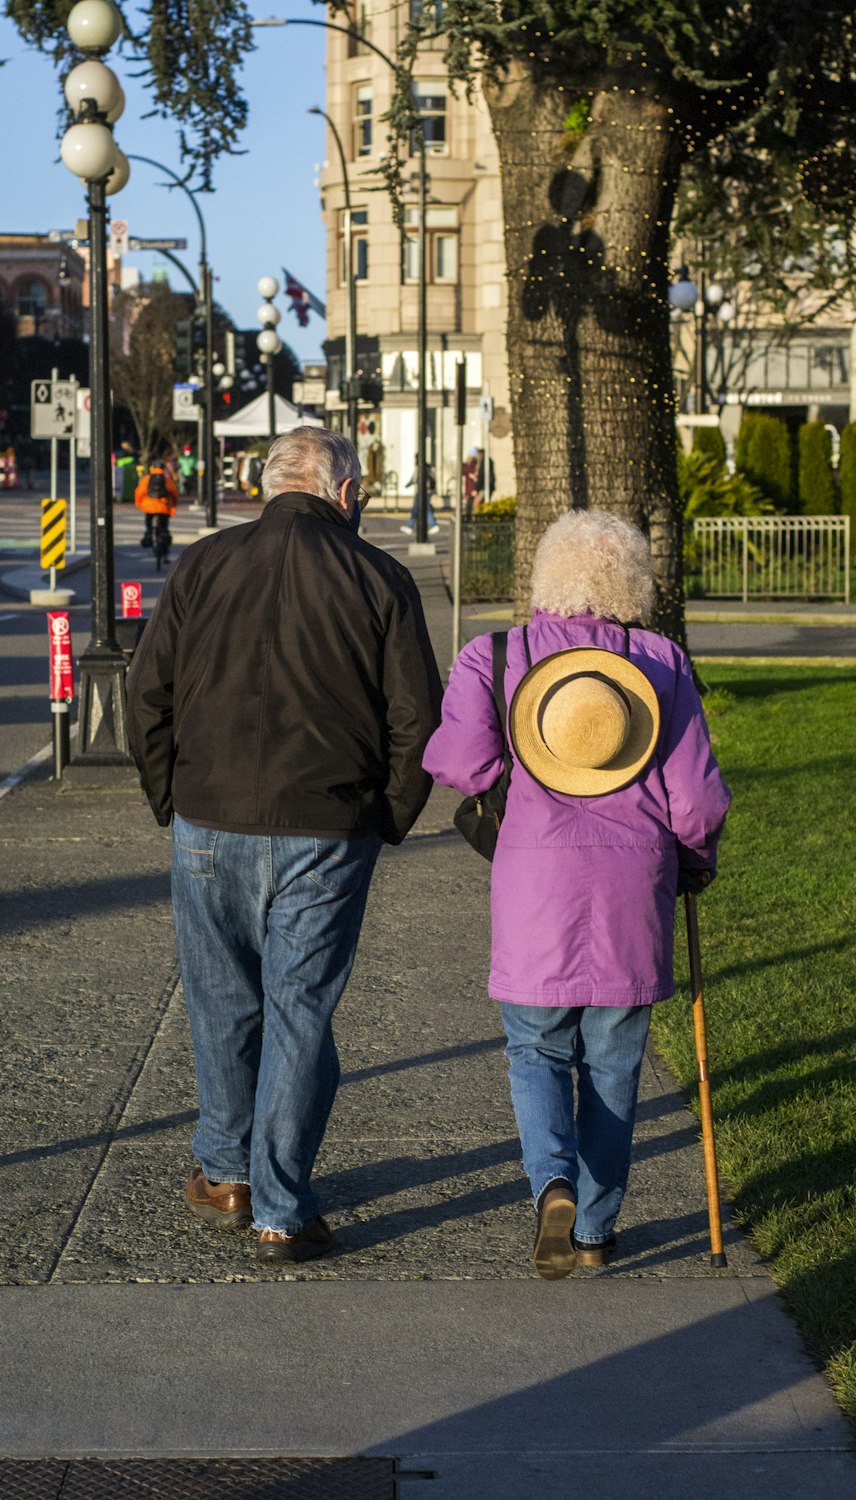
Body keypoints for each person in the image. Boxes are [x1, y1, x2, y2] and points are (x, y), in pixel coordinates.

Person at [126, 427, 442, 1266]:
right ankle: (280, 1207)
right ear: (345, 494)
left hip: (210, 814)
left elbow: (146, 691)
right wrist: (389, 817)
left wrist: (169, 793)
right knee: (300, 1011)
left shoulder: (202, 564)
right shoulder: (378, 576)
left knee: (222, 1002)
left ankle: (227, 1172)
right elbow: (418, 721)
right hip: (326, 824)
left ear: (268, 487)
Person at [423, 509, 730, 1280]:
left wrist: (511, 772)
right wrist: (697, 861)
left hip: (536, 885)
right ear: (633, 581)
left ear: (546, 574)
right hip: (633, 889)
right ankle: (594, 1229)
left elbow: (457, 763)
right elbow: (696, 803)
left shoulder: (495, 655)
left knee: (534, 1047)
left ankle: (551, 1183)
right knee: (614, 1063)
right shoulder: (658, 661)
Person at [134, 460, 178, 553]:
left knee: (148, 522)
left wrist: (138, 504)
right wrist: (173, 503)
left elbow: (139, 492)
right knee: (164, 526)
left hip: (149, 506)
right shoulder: (166, 479)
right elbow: (174, 492)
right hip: (163, 506)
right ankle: (164, 540)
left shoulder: (147, 479)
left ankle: (149, 534)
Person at [401, 461, 439, 536]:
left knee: (423, 508)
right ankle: (410, 526)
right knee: (420, 508)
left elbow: (414, 479)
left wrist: (408, 484)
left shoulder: (419, 467)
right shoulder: (429, 468)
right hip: (428, 492)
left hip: (421, 492)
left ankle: (433, 525)